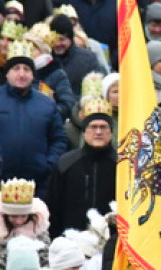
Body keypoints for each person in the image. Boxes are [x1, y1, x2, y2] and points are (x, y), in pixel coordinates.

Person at [0, 41, 67, 199]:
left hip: (37, 186)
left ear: (33, 74)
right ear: (7, 73)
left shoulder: (47, 104)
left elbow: (59, 139)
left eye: (27, 69)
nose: (22, 74)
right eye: (16, 69)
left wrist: (47, 164)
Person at [46, 98, 117, 237]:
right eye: (93, 127)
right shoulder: (66, 164)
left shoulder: (122, 165)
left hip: (112, 244)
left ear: (111, 132)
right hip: (72, 242)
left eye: (103, 127)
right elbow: (54, 208)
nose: (98, 132)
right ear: (84, 132)